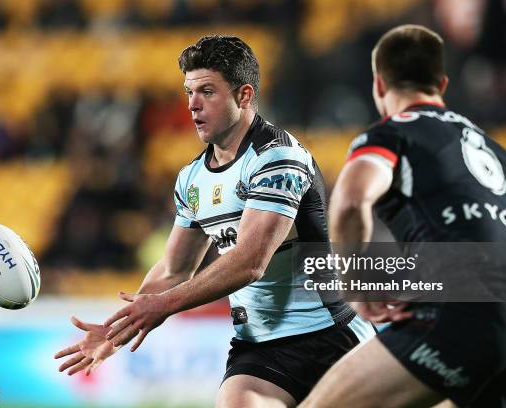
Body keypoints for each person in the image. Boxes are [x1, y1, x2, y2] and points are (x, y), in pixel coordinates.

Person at [54, 35, 374, 408]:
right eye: (189, 91)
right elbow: (174, 269)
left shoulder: (277, 158)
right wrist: (114, 332)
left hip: (329, 336)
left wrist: (163, 306)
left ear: (244, 96)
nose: (192, 104)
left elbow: (250, 262)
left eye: (207, 91)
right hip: (258, 348)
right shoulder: (191, 179)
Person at [299, 25, 506, 408]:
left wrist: (355, 287)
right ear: (441, 83)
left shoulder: (392, 134)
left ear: (379, 85)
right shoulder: (498, 151)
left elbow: (350, 202)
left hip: (459, 311)